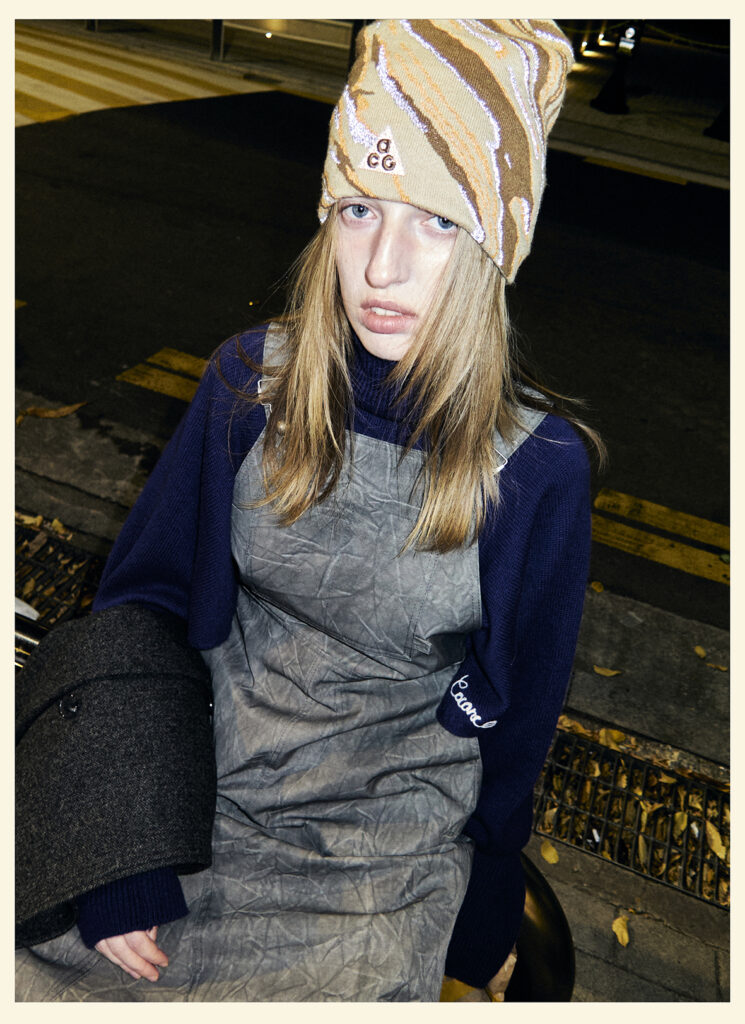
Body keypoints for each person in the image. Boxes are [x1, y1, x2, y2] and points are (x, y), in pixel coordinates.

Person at [16, 19, 598, 1002]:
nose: (381, 267)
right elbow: (145, 603)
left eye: (436, 221)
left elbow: (517, 717)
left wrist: (487, 901)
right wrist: (117, 839)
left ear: (493, 245)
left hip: (376, 853)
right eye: (360, 210)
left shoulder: (536, 468)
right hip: (197, 780)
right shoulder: (249, 383)